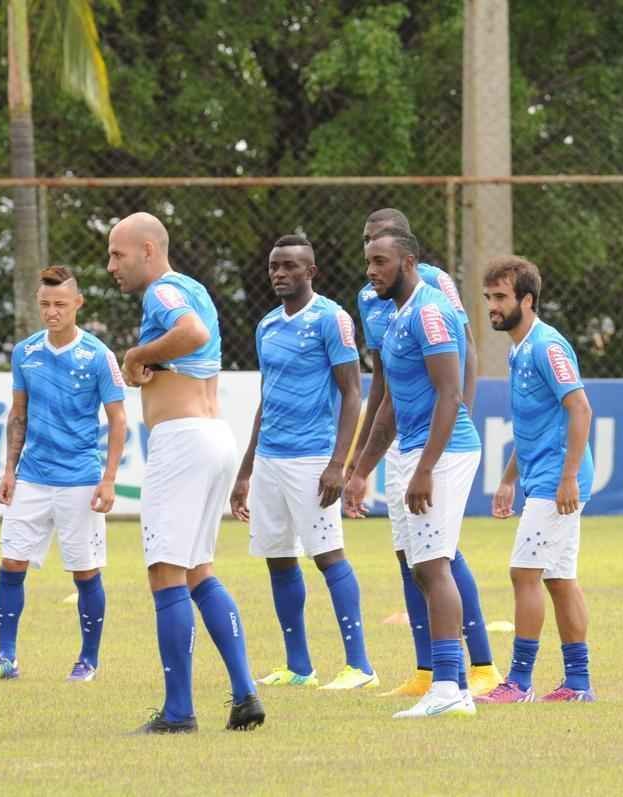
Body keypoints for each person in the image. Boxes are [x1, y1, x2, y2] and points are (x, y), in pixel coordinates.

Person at [107, 211, 265, 734]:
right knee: (199, 570)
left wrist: (136, 353)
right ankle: (244, 694)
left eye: (118, 255)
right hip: (214, 436)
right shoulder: (193, 286)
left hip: (182, 442)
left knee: (165, 572)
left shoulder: (162, 292)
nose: (112, 266)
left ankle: (179, 712)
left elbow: (191, 333)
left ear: (148, 250)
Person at [348, 208, 502, 699]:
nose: (371, 269)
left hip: (439, 452)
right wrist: (361, 470)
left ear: (408, 260)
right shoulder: (394, 316)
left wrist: (428, 466)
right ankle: (438, 677)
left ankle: (456, 684)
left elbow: (449, 391)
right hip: (409, 450)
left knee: (436, 563)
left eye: (380, 258)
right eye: (368, 257)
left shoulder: (431, 309)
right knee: (419, 563)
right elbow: (390, 401)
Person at [229, 234, 376, 691]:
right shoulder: (267, 325)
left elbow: (353, 393)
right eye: (275, 266)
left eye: (290, 266)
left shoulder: (332, 319)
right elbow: (265, 399)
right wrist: (246, 470)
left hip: (313, 458)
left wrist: (339, 463)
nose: (279, 273)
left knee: (328, 556)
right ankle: (299, 667)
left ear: (311, 272)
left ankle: (360, 666)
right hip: (270, 459)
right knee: (277, 559)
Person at [0, 265, 126, 684]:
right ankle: (6, 656)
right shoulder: (25, 352)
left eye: (60, 304)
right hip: (32, 477)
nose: (52, 312)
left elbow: (118, 421)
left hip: (79, 479)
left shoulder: (98, 355)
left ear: (78, 303)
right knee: (11, 562)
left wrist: (109, 478)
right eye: (45, 304)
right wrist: (9, 470)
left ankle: (88, 660)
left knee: (85, 571)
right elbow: (18, 414)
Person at [476, 256, 597, 704]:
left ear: (526, 300)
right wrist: (510, 478)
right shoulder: (517, 347)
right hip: (541, 476)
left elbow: (580, 408)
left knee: (523, 572)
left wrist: (567, 478)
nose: (492, 305)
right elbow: (532, 424)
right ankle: (578, 684)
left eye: (501, 297)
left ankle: (519, 682)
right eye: (489, 297)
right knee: (559, 578)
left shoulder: (547, 346)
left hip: (556, 481)